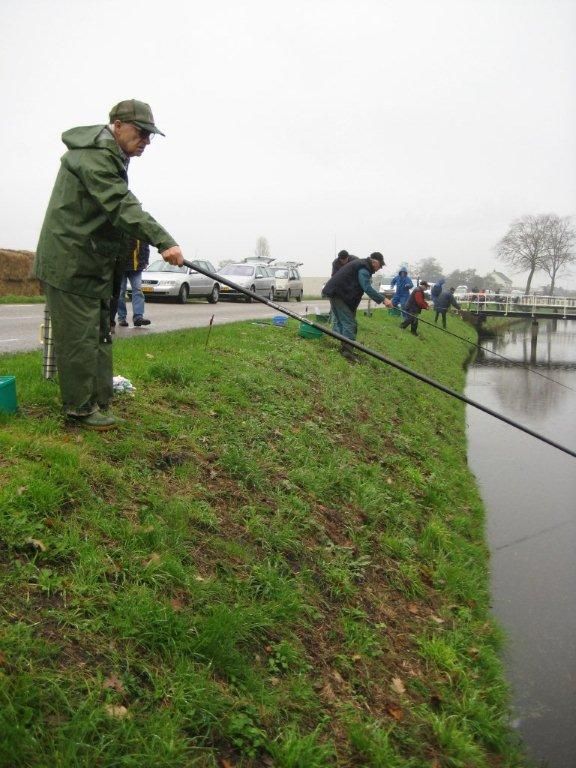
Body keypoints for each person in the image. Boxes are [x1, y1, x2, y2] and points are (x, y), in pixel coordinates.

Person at [33, 99, 184, 430]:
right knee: (79, 339)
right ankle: (80, 411)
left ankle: (100, 399)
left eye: (150, 136)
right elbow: (120, 205)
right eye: (140, 132)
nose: (145, 141)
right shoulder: (96, 156)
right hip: (70, 262)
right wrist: (164, 240)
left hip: (92, 262)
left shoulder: (111, 155)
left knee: (100, 333)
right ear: (117, 125)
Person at [322, 252, 386, 362]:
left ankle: (344, 346)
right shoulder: (364, 268)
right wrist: (383, 299)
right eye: (379, 266)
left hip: (335, 292)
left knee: (344, 321)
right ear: (375, 262)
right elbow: (366, 287)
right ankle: (347, 351)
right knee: (349, 323)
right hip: (339, 294)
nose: (378, 269)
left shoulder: (361, 264)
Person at [112, 239, 151, 328]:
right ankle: (122, 318)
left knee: (138, 290)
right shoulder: (122, 229)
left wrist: (145, 261)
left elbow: (145, 246)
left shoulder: (140, 231)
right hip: (121, 266)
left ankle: (138, 318)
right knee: (120, 292)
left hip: (137, 266)